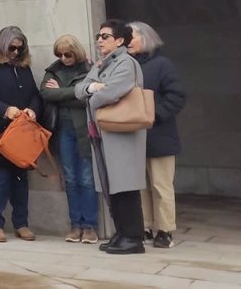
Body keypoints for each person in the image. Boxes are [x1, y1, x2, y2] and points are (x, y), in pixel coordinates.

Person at [76, 20, 148, 255]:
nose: (99, 40)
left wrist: (95, 92)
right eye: (99, 35)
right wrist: (93, 88)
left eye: (105, 36)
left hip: (122, 131)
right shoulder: (103, 64)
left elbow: (112, 92)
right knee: (111, 185)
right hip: (104, 131)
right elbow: (80, 89)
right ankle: (122, 232)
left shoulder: (126, 63)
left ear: (119, 41)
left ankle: (133, 237)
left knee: (125, 185)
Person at [0, 26, 42, 243]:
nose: (14, 53)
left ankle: (22, 223)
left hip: (21, 133)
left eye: (19, 50)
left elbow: (35, 95)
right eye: (11, 48)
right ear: (3, 45)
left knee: (21, 180)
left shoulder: (23, 67)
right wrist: (5, 110)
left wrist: (32, 109)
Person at [128, 21, 186, 249]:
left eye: (131, 36)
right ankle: (144, 226)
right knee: (139, 185)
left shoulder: (162, 65)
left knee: (161, 186)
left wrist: (154, 115)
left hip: (160, 135)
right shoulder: (127, 65)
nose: (128, 41)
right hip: (133, 135)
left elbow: (177, 96)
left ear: (146, 38)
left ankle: (165, 230)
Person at [40, 35, 98, 244]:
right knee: (71, 179)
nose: (64, 58)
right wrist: (75, 93)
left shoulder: (90, 68)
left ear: (76, 52)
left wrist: (63, 93)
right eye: (60, 55)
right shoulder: (53, 70)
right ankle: (76, 225)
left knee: (87, 179)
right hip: (63, 129)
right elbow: (46, 94)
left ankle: (90, 225)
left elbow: (89, 99)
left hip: (84, 129)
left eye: (68, 54)